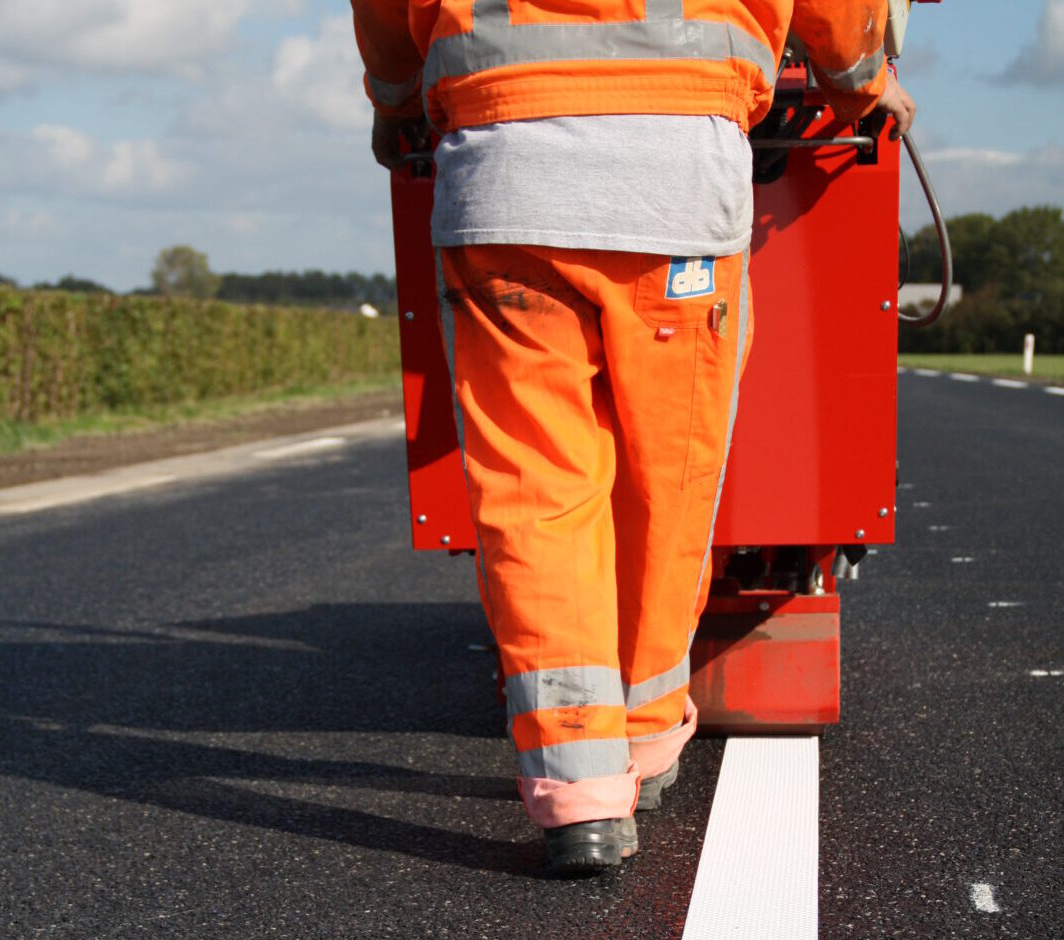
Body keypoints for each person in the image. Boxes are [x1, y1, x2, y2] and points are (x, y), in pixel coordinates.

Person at [349, 0, 916, 876]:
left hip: (501, 176)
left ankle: (576, 787)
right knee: (670, 478)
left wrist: (394, 105)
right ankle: (646, 740)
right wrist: (864, 85)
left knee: (532, 492)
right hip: (679, 179)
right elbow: (839, 21)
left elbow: (388, 18)